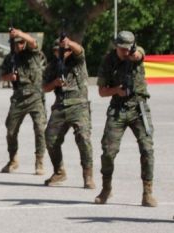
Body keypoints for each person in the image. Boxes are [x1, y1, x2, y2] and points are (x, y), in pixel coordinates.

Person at [94, 31, 157, 207]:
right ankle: (106, 189)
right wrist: (116, 90)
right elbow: (101, 91)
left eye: (128, 48)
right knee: (108, 151)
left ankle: (147, 192)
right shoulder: (108, 61)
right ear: (116, 46)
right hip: (118, 109)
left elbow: (139, 55)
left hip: (139, 108)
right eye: (122, 49)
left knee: (147, 149)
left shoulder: (136, 53)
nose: (125, 52)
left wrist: (134, 54)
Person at [41, 37, 95, 189]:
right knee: (50, 139)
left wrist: (69, 43)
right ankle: (59, 171)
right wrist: (54, 83)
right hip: (60, 106)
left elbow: (80, 50)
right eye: (57, 50)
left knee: (83, 139)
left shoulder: (77, 61)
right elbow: (44, 87)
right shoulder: (52, 66)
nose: (61, 53)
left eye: (64, 50)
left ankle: (88, 175)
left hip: (79, 105)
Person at [0, 28, 47, 175]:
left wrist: (19, 33)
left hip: (36, 96)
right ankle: (13, 159)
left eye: (21, 43)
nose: (18, 46)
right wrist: (10, 77)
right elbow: (1, 77)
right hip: (18, 98)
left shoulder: (33, 54)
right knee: (11, 130)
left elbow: (33, 42)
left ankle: (39, 161)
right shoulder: (10, 58)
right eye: (15, 44)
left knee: (40, 129)